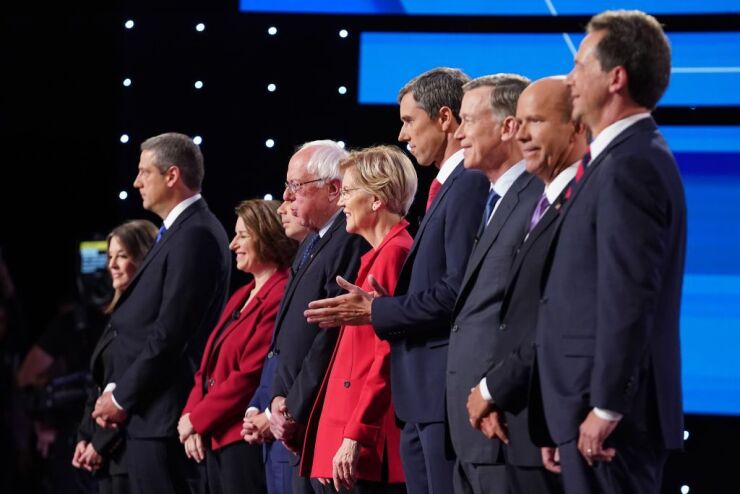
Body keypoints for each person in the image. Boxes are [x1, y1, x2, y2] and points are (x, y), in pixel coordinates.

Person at [304, 68, 489, 494]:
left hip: (438, 394)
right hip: (419, 399)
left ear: (445, 118)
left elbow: (457, 289)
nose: (402, 134)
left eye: (409, 120)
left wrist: (375, 310)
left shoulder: (468, 185)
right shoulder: (446, 188)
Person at [533, 10, 686, 493]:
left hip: (611, 423)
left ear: (616, 78)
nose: (570, 79)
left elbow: (629, 295)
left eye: (580, 65)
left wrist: (605, 407)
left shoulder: (632, 165)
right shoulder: (614, 161)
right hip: (581, 412)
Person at [465, 76, 589, 494]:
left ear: (577, 127)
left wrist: (492, 387)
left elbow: (563, 317)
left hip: (562, 417)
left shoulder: (584, 199)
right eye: (518, 121)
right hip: (524, 418)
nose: (520, 133)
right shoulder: (545, 198)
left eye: (535, 121)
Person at [92, 132, 232, 494]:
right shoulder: (177, 231)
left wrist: (122, 396)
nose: (136, 182)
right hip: (150, 415)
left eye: (144, 172)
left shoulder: (196, 234)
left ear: (171, 176)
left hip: (164, 416)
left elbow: (171, 331)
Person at [249, 140, 369, 494]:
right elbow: (288, 338)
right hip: (293, 414)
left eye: (295, 186)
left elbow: (329, 335)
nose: (287, 196)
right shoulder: (312, 241)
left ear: (333, 190)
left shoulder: (348, 240)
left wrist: (293, 407)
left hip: (315, 413)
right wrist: (275, 400)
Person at [445, 74, 543, 494]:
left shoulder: (537, 197)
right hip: (469, 424)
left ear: (507, 127)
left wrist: (495, 390)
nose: (459, 132)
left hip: (502, 418)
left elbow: (530, 312)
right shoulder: (494, 200)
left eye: (467, 120)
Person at [300, 146, 416, 494]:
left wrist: (354, 437)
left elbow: (384, 358)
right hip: (348, 434)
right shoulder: (379, 253)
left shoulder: (394, 253)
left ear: (377, 199)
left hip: (368, 441)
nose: (341, 202)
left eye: (348, 192)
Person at [177, 199, 297, 494]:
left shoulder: (281, 293)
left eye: (242, 235)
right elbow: (205, 369)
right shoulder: (242, 294)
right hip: (215, 437)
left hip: (242, 440)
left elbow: (250, 375)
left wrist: (197, 420)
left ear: (267, 235)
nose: (233, 245)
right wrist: (191, 419)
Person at [73, 219, 158, 494]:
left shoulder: (150, 318)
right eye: (110, 256)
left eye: (122, 256)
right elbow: (99, 383)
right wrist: (84, 438)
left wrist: (101, 443)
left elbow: (134, 385)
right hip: (106, 458)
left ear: (144, 258)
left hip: (129, 454)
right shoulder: (116, 315)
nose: (112, 265)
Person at [240, 198, 310, 494]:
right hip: (273, 428)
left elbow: (312, 351)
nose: (283, 207)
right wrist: (255, 406)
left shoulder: (284, 283)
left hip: (290, 426)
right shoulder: (299, 268)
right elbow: (274, 357)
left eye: (242, 235)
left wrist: (269, 416)